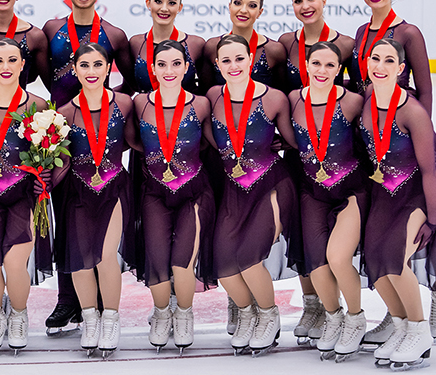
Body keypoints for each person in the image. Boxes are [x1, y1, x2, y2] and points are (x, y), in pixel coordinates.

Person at [359, 39, 436, 370]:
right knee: (374, 258)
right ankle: (401, 325)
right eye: (375, 58)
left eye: (389, 60)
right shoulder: (366, 101)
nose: (380, 65)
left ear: (401, 69)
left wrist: (433, 220)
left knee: (394, 256)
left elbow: (429, 170)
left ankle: (419, 332)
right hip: (386, 191)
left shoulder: (413, 112)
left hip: (420, 191)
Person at [41, 0, 134, 333]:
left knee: (99, 227)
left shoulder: (115, 35)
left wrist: (110, 115)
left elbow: (130, 80)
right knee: (69, 223)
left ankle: (96, 305)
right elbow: (41, 75)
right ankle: (69, 302)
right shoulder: (51, 30)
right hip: (65, 132)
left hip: (101, 135)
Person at [203, 34, 298, 357]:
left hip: (271, 184)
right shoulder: (213, 96)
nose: (233, 66)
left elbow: (292, 141)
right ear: (217, 64)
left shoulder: (273, 99)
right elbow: (208, 137)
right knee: (223, 262)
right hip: (234, 188)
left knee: (248, 257)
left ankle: (269, 316)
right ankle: (246, 313)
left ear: (251, 60)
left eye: (239, 59)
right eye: (226, 60)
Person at [277, 0, 356, 344]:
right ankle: (316, 305)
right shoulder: (286, 44)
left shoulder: (346, 45)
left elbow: (357, 96)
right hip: (302, 153)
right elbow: (281, 98)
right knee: (305, 238)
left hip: (339, 154)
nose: (305, 5)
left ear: (324, 0)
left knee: (336, 243)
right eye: (297, 0)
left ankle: (347, 312)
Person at [128, 40, 214, 354]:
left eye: (176, 64)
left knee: (181, 264)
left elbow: (212, 143)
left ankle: (185, 313)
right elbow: (131, 140)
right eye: (162, 64)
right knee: (157, 258)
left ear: (186, 66)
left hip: (194, 191)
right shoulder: (139, 103)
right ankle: (162, 313)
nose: (169, 70)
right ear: (152, 68)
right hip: (154, 192)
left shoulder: (202, 103)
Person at [0, 38, 50, 355]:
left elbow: (50, 154)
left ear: (22, 65)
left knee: (15, 262)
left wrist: (44, 179)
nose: (4, 67)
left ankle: (18, 314)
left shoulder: (38, 106)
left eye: (11, 60)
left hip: (23, 195)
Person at [286, 42, 368, 362]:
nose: (322, 71)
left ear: (339, 69)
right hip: (313, 191)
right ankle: (333, 317)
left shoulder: (353, 102)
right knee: (316, 263)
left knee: (337, 257)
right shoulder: (294, 100)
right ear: (307, 65)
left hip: (351, 191)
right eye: (316, 64)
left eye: (330, 66)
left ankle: (356, 317)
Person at [52, 43, 133, 357]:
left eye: (97, 65)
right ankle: (89, 317)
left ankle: (111, 317)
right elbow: (57, 158)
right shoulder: (63, 113)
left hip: (113, 188)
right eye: (84, 65)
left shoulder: (124, 104)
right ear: (74, 69)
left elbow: (138, 142)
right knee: (80, 260)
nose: (91, 71)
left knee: (105, 255)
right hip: (77, 192)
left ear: (109, 68)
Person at [199, 0, 286, 94]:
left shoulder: (274, 50)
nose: (243, 10)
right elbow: (205, 94)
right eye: (237, 3)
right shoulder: (212, 47)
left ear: (260, 12)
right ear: (230, 7)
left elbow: (283, 96)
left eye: (252, 5)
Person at [129, 0, 203, 94]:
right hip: (146, 111)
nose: (164, 8)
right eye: (158, 1)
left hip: (185, 111)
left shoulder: (196, 45)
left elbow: (206, 90)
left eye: (172, 3)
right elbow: (129, 87)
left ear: (180, 7)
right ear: (148, 3)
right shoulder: (135, 43)